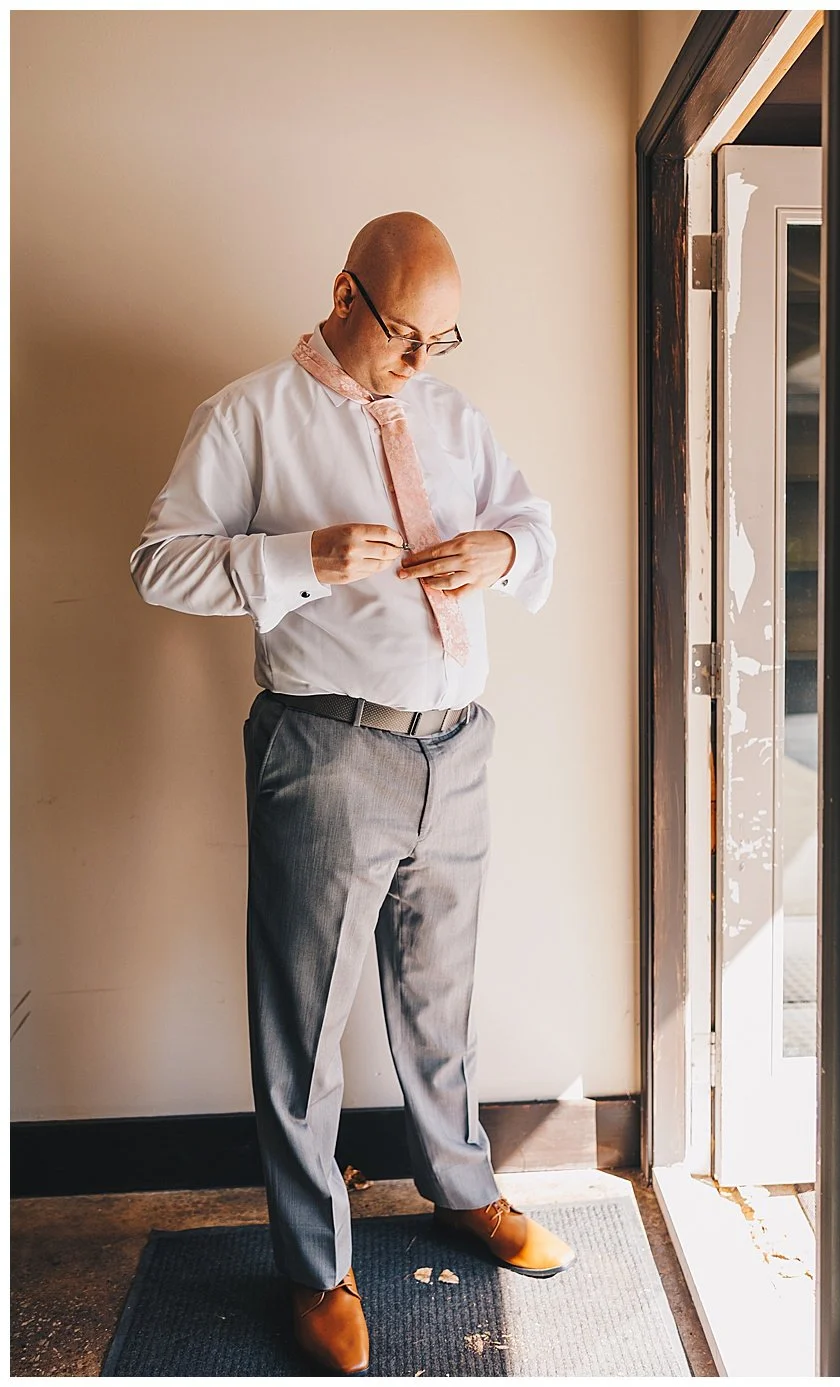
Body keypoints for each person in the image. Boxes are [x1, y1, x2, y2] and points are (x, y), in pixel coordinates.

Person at [131, 213, 568, 1374]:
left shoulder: (449, 411)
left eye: (444, 339)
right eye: (404, 334)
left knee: (440, 1002)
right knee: (304, 1032)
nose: (421, 364)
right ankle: (315, 1268)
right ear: (345, 292)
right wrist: (300, 559)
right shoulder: (247, 418)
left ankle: (462, 1190)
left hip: (458, 748)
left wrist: (502, 555)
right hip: (326, 752)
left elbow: (535, 521)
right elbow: (157, 560)